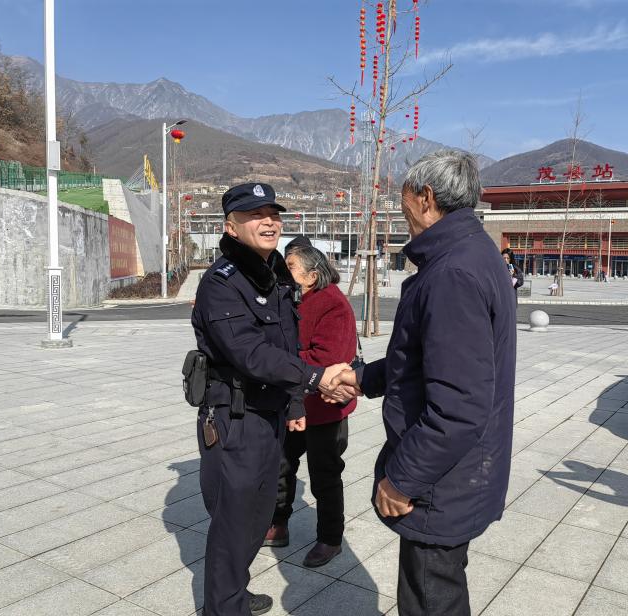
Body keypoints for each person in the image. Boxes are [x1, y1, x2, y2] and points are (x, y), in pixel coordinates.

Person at [327, 150, 517, 616]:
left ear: (426, 197)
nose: (402, 211)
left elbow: (458, 407)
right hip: (456, 474)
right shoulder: (471, 252)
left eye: (404, 200)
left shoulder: (452, 273)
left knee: (430, 599)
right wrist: (362, 377)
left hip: (440, 482)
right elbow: (424, 360)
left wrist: (401, 480)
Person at [191, 182, 348, 616]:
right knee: (233, 521)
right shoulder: (221, 282)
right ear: (230, 226)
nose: (269, 222)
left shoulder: (275, 275)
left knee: (258, 515)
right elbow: (250, 353)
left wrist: (295, 401)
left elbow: (285, 343)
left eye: (273, 214)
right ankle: (224, 608)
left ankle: (233, 593)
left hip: (270, 415)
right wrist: (315, 378)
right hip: (234, 417)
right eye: (255, 215)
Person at [263, 245, 358, 567]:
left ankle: (330, 539)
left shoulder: (332, 303)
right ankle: (278, 523)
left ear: (312, 275)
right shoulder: (295, 299)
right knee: (280, 465)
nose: (284, 270)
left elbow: (326, 359)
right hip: (294, 403)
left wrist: (280, 359)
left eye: (290, 266)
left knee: (324, 476)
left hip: (325, 408)